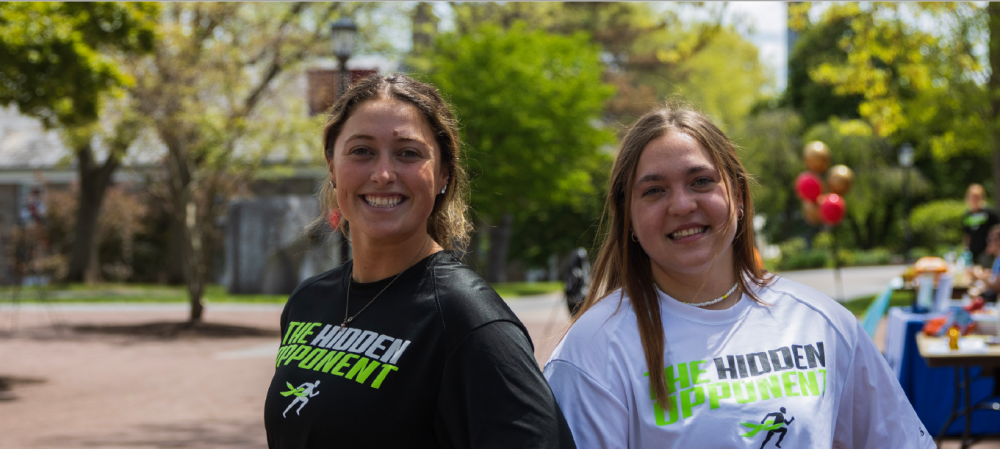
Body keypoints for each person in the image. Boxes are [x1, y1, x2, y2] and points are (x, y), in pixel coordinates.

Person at [543, 104, 934, 448]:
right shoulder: (592, 352)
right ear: (627, 215)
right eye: (654, 191)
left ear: (740, 196)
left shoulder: (822, 324)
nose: (681, 204)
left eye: (701, 181)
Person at [265, 74, 576, 448]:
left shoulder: (469, 321)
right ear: (332, 167)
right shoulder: (308, 301)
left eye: (408, 153)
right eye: (361, 151)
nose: (382, 174)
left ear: (444, 174)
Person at [962, 183, 999, 268]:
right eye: (972, 197)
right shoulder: (967, 215)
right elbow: (967, 234)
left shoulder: (988, 213)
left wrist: (992, 247)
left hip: (986, 252)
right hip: (972, 253)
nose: (974, 199)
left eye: (977, 197)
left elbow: (996, 230)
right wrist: (966, 250)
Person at [563, 248, 590, 315]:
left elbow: (586, 281)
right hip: (572, 297)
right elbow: (567, 283)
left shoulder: (585, 268)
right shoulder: (571, 270)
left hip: (581, 295)